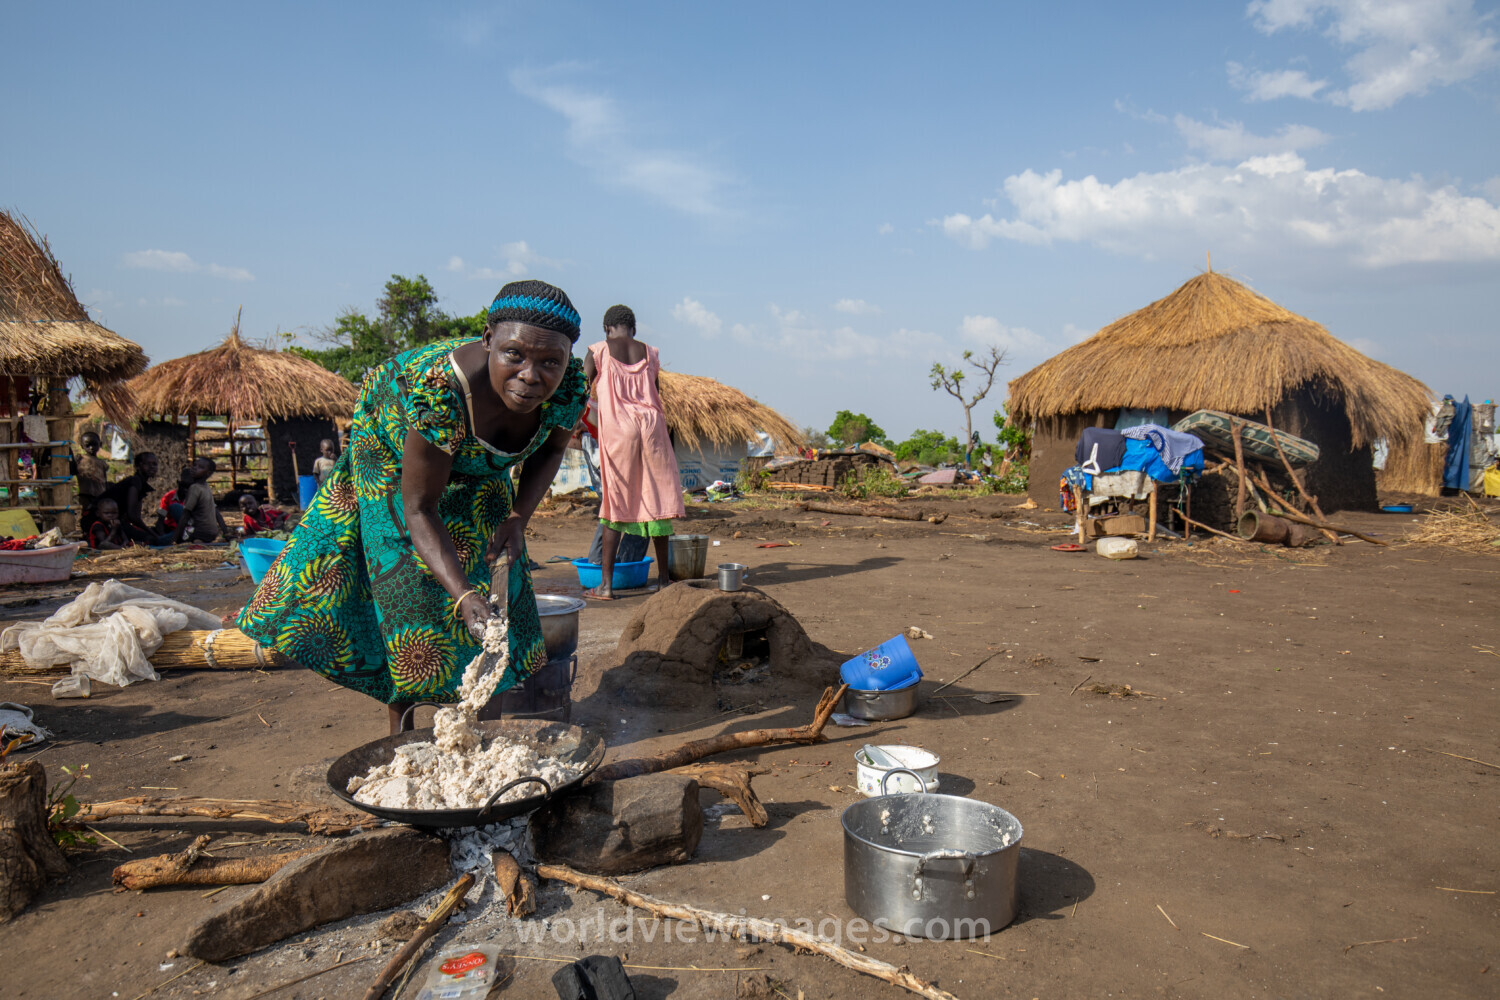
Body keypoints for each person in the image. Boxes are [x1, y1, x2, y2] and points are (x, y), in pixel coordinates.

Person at [237, 279, 588, 735]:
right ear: (488, 340)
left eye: (549, 362)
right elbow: (419, 508)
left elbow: (550, 451)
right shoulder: (438, 391)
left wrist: (518, 516)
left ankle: (485, 737)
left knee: (497, 587)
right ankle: (403, 740)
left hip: (478, 468)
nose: (530, 375)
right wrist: (462, 595)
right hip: (390, 451)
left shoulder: (567, 387)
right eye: (514, 355)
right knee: (413, 596)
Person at [582, 304, 684, 599]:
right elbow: (655, 391)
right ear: (633, 329)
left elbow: (579, 386)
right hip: (652, 426)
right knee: (657, 499)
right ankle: (664, 579)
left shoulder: (598, 349)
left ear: (607, 328)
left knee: (616, 500)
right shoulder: (650, 352)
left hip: (620, 429)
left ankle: (605, 585)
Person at [100, 452, 175, 545]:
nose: (152, 467)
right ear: (138, 466)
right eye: (147, 464)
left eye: (154, 464)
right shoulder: (135, 482)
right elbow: (133, 516)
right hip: (107, 521)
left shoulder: (140, 484)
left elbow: (136, 516)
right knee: (151, 539)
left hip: (118, 522)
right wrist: (153, 534)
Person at [172, 457, 229, 544]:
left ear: (208, 473)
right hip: (212, 533)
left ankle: (196, 540)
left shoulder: (195, 488)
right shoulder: (206, 486)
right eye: (194, 465)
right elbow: (216, 512)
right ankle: (197, 540)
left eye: (200, 467)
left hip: (199, 533)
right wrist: (226, 532)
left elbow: (185, 515)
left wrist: (174, 540)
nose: (195, 468)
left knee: (163, 539)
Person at [75, 431, 110, 505]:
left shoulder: (101, 463)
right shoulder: (80, 459)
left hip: (100, 494)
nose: (91, 448)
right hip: (85, 495)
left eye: (94, 445)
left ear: (100, 445)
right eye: (88, 445)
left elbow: (104, 479)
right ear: (82, 446)